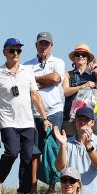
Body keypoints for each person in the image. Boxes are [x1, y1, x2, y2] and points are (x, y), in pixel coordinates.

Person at [0, 38, 51, 194]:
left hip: (27, 121)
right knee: (12, 152)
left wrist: (44, 118)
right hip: (7, 120)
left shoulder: (28, 71)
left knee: (27, 157)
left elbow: (35, 96)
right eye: (12, 50)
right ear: (4, 52)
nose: (15, 54)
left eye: (18, 51)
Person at [25, 32, 68, 182]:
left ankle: (52, 183)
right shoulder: (27, 64)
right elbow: (25, 86)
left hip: (54, 110)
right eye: (41, 43)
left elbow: (56, 78)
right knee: (34, 151)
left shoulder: (58, 62)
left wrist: (34, 79)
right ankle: (33, 185)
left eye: (46, 44)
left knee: (53, 148)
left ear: (52, 46)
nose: (44, 47)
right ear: (36, 45)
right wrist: (45, 81)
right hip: (34, 113)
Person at [52, 108, 97, 194]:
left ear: (93, 122)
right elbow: (60, 167)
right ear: (75, 122)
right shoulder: (67, 143)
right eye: (80, 119)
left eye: (86, 120)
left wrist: (89, 146)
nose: (83, 122)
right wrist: (63, 146)